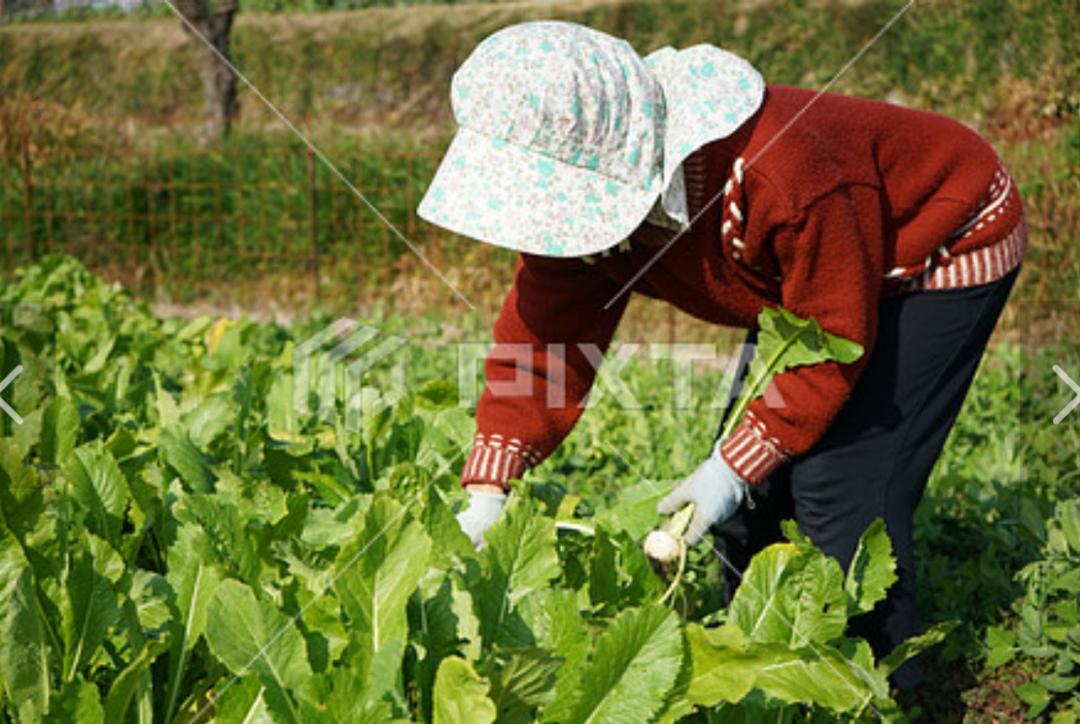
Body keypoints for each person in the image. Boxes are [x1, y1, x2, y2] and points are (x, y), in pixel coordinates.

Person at [417, 20, 1024, 689]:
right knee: (750, 494)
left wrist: (730, 468)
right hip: (813, 289)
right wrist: (489, 484)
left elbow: (833, 337)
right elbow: (545, 341)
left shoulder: (781, 172)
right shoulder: (577, 219)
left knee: (843, 486)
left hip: (938, 242)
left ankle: (881, 685)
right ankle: (757, 674)